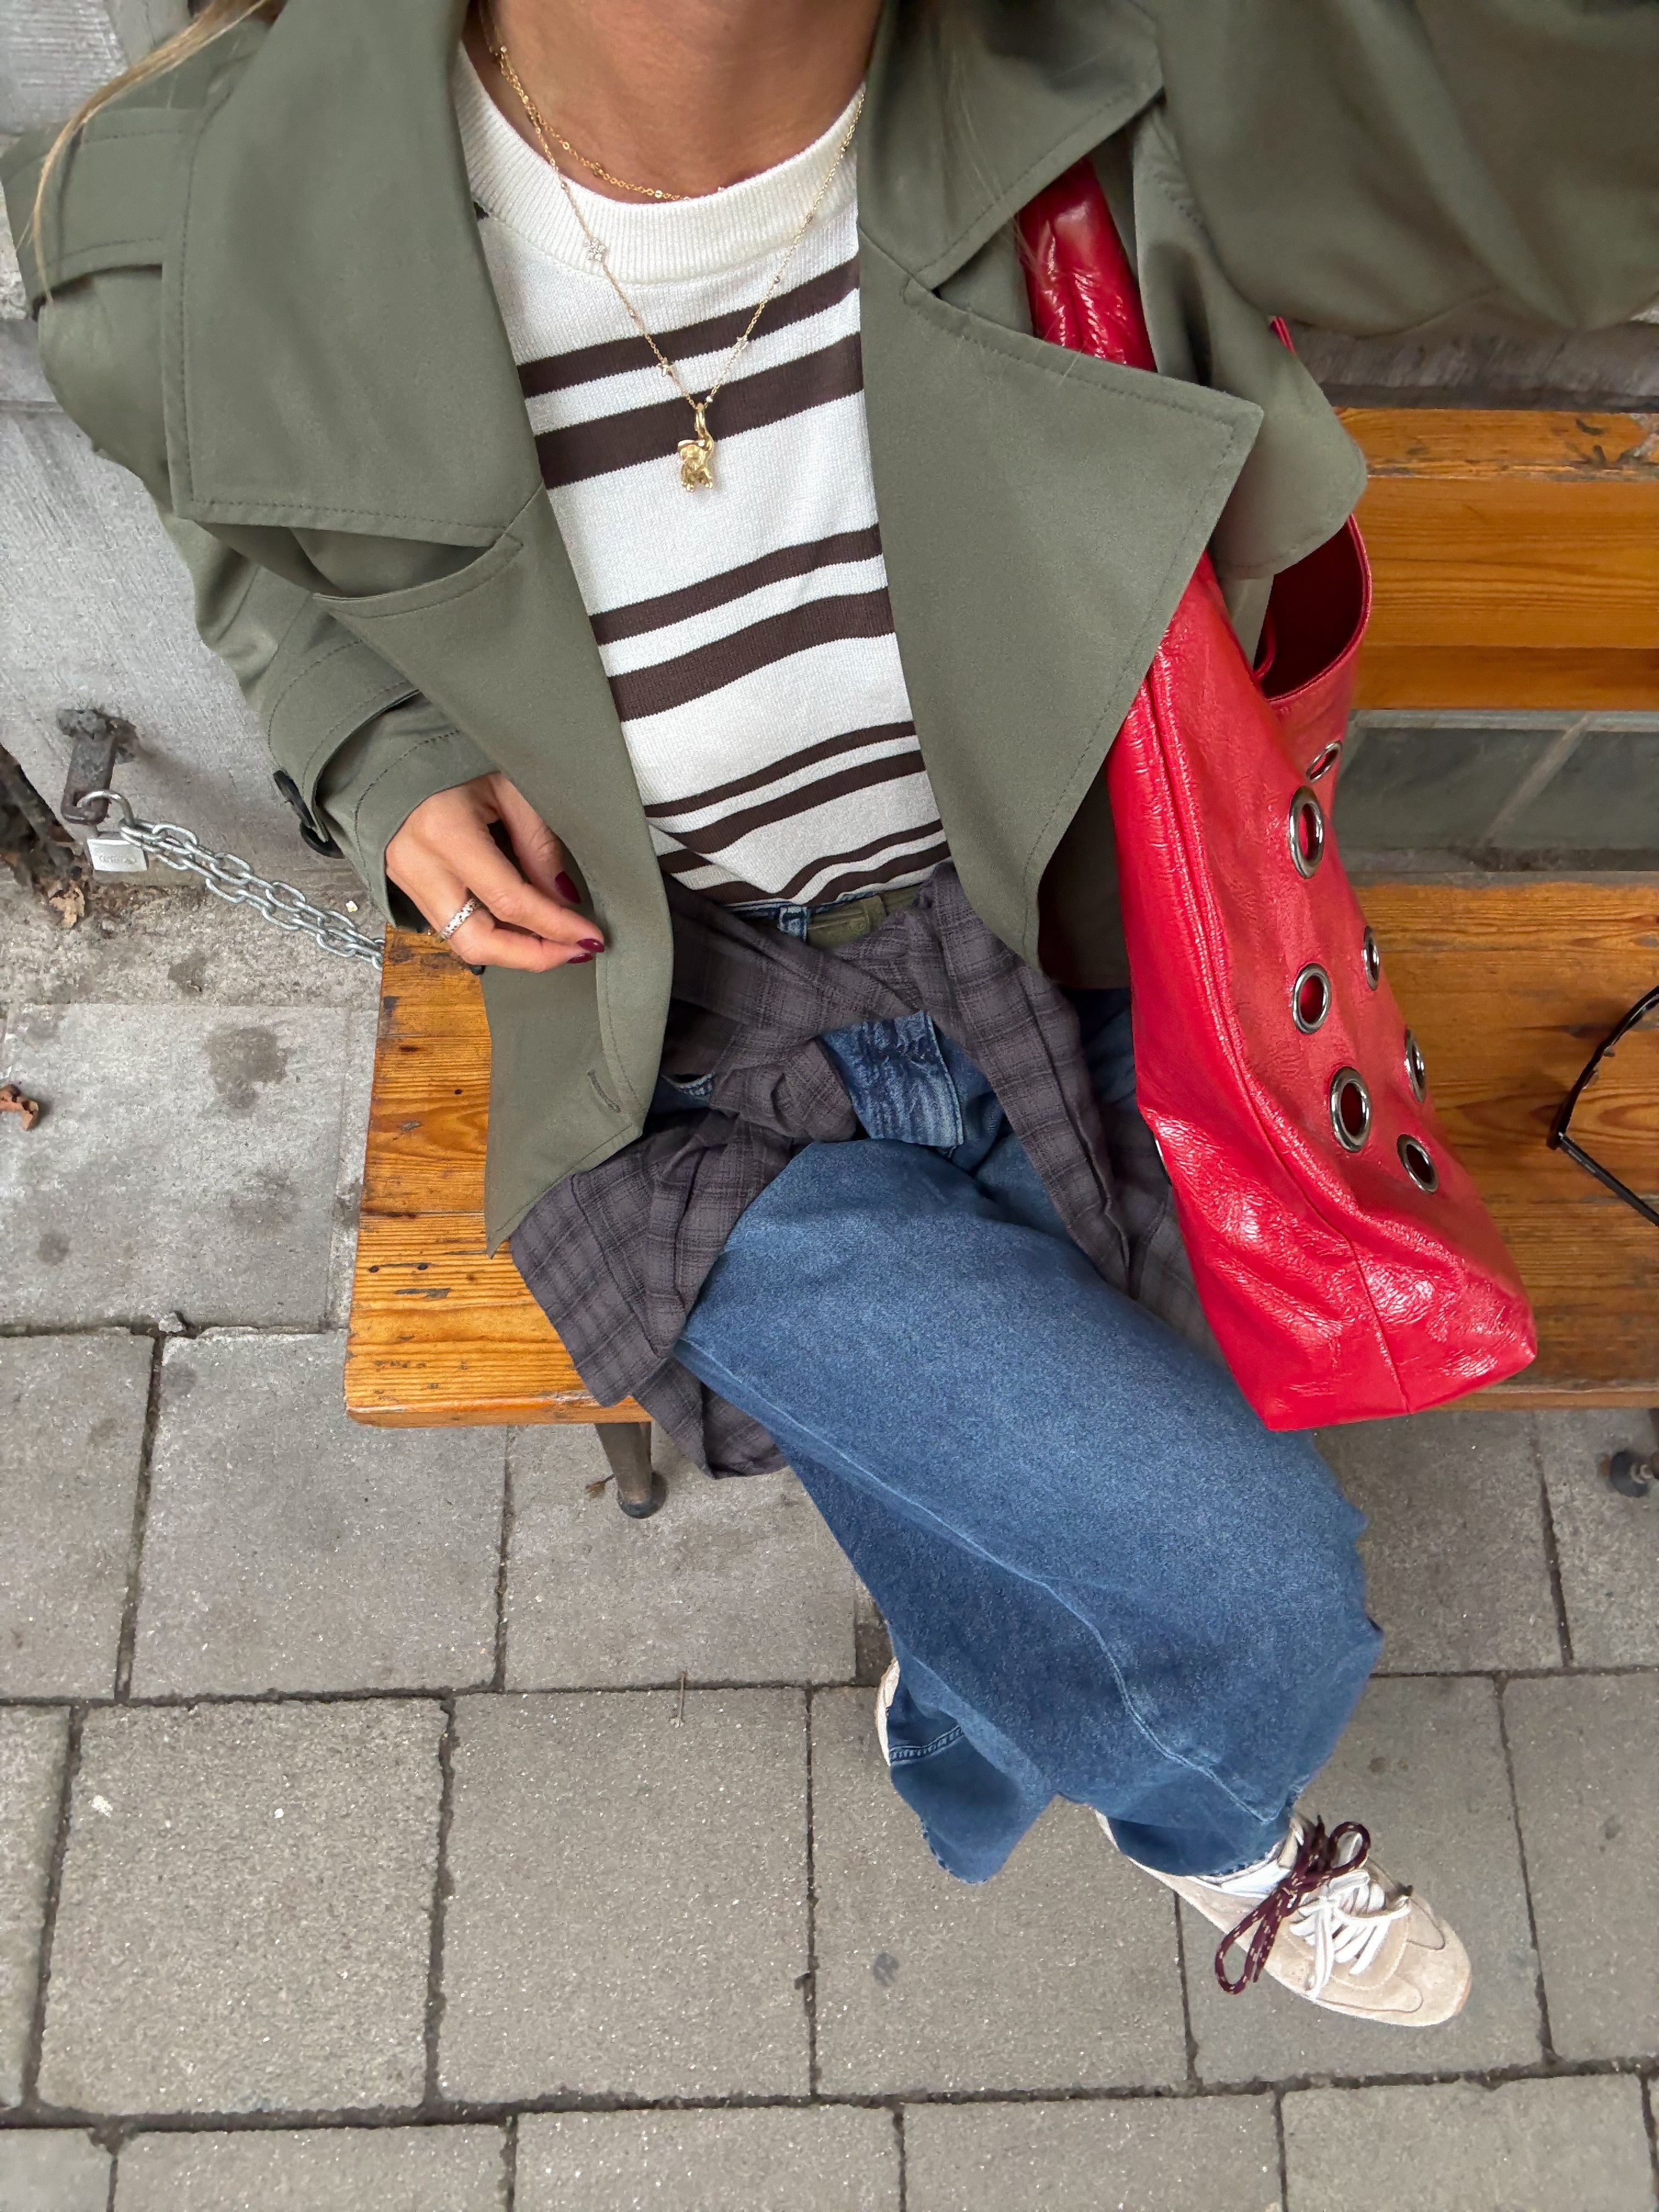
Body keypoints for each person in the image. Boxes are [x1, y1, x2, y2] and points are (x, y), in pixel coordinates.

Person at [8, 0, 1656, 2033]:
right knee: (1253, 1582)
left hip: (1072, 957)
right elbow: (219, 497)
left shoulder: (1133, 84)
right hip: (676, 1059)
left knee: (1067, 1501)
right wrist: (366, 737)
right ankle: (1212, 1829)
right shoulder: (185, 201)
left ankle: (960, 1717)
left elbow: (1562, 135)